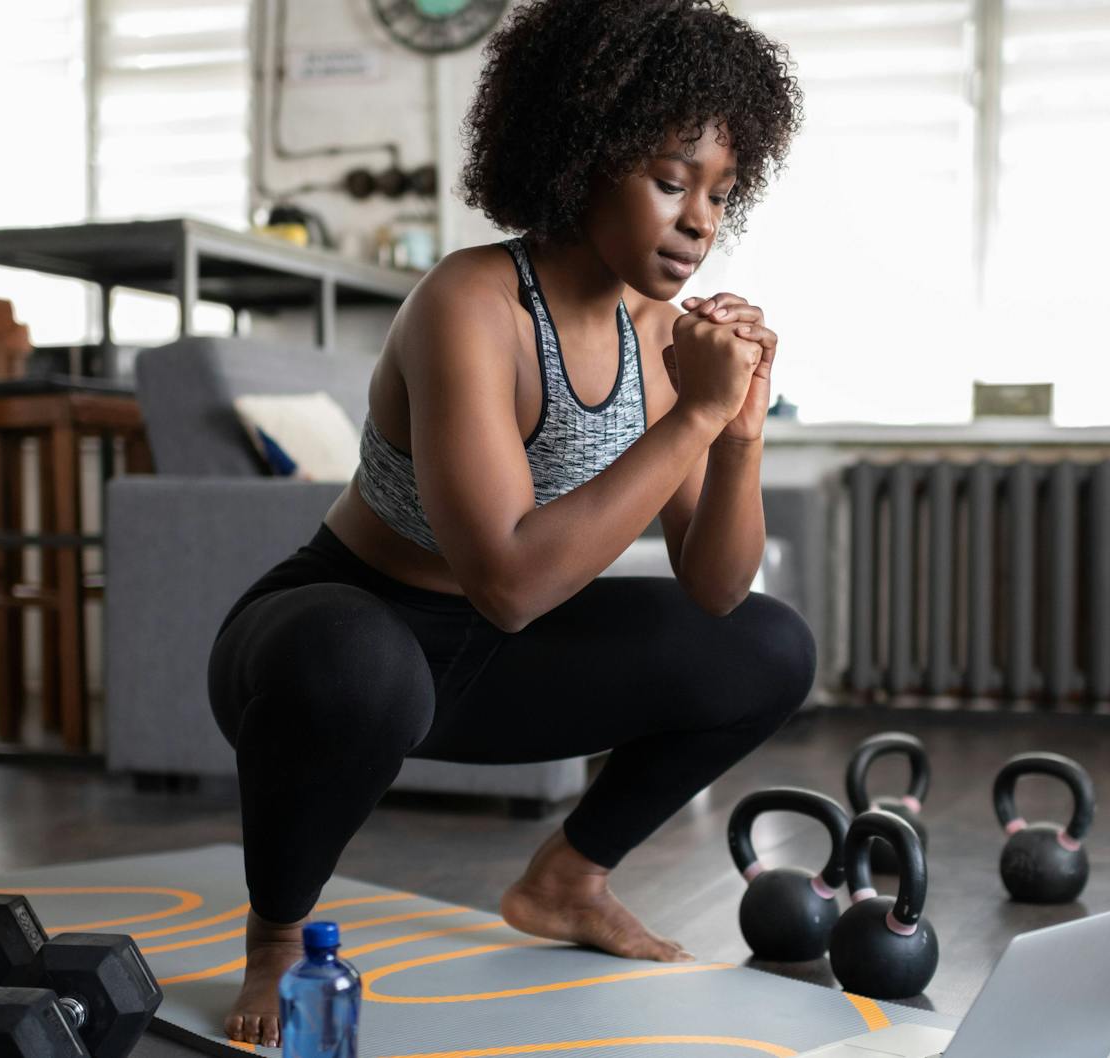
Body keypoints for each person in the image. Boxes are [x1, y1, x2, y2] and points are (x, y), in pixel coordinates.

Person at [206, 0, 808, 1045]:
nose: (701, 219)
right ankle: (275, 933)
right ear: (582, 158)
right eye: (670, 181)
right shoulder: (470, 303)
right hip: (331, 638)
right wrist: (695, 414)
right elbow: (511, 579)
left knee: (768, 643)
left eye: (718, 192)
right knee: (360, 658)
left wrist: (739, 433)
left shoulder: (659, 335)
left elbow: (714, 589)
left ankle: (568, 879)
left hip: (494, 667)